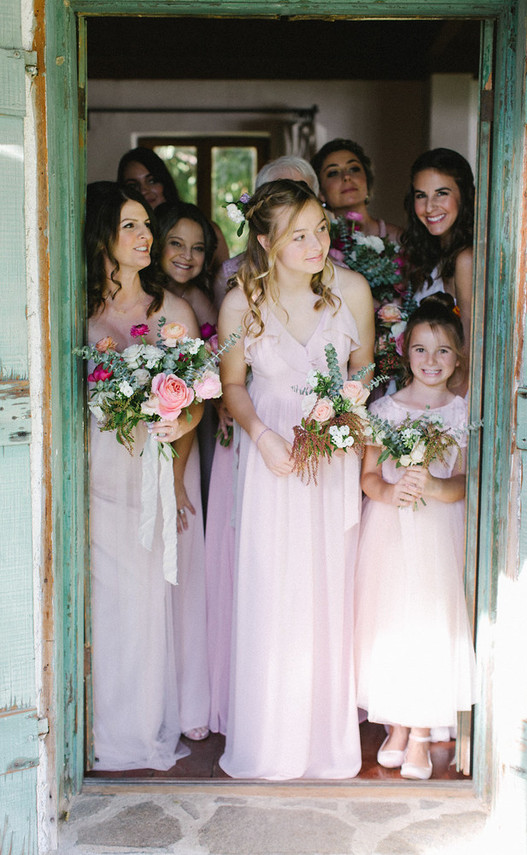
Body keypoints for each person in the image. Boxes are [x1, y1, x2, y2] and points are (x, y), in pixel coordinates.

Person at [217, 179, 375, 779]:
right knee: (271, 587)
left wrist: (340, 421)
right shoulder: (240, 304)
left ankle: (322, 744)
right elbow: (233, 386)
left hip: (329, 461)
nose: (317, 245)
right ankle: (269, 743)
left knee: (326, 590)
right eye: (299, 235)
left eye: (322, 231)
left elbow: (366, 372)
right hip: (271, 461)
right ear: (266, 242)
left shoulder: (351, 292)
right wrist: (262, 435)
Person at [85, 183, 210, 769]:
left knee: (143, 603)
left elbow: (199, 403)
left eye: (145, 227)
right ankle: (94, 725)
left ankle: (137, 728)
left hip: (150, 476)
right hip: (95, 476)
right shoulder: (77, 311)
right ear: (103, 235)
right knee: (99, 604)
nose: (145, 238)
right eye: (131, 226)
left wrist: (177, 422)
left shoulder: (171, 311)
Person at [354, 293, 477, 781]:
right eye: (422, 349)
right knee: (391, 622)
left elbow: (465, 481)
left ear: (458, 357)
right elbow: (367, 478)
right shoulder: (385, 408)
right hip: (389, 530)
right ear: (406, 353)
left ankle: (424, 730)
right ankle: (398, 724)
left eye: (443, 350)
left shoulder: (460, 410)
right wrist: (392, 492)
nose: (432, 361)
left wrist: (433, 485)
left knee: (430, 622)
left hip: (438, 532)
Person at [212, 155, 320, 308]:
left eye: (301, 194)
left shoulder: (339, 273)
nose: (293, 205)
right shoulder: (230, 273)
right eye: (280, 196)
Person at [400, 148, 474, 362]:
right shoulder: (433, 255)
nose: (430, 207)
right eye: (421, 195)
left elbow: (468, 349)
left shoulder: (465, 259)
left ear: (463, 196)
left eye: (441, 193)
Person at [117, 146, 230, 275]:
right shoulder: (125, 236)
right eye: (133, 185)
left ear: (165, 183)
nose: (143, 190)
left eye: (152, 181)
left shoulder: (208, 229)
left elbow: (225, 280)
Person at [311, 138, 401, 243]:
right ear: (321, 192)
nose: (346, 176)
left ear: (367, 179)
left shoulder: (399, 238)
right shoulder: (318, 244)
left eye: (353, 169)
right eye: (333, 173)